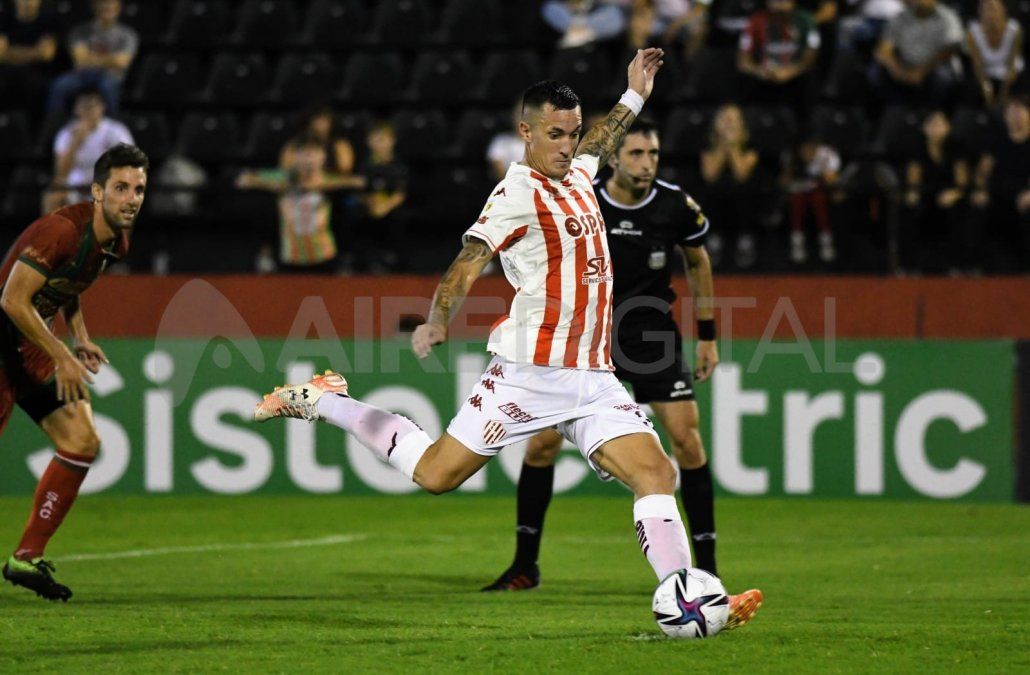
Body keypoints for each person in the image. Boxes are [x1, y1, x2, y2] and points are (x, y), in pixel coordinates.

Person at [254, 49, 762, 628]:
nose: (568, 145)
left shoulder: (578, 171)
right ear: (525, 132)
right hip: (527, 376)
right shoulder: (515, 195)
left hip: (593, 379)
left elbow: (601, 138)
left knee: (657, 474)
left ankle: (686, 593)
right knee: (436, 475)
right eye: (554, 134)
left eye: (571, 134)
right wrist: (438, 318)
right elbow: (468, 261)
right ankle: (327, 400)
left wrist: (635, 93)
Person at [480, 116, 725, 591]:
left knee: (688, 443)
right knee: (542, 445)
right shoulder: (583, 195)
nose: (646, 163)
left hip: (651, 335)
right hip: (587, 337)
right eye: (636, 153)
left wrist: (708, 335)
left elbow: (698, 259)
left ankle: (707, 568)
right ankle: (525, 565)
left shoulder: (674, 205)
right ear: (613, 158)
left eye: (653, 154)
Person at [0, 144, 148, 601]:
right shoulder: (61, 231)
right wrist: (62, 355)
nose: (131, 198)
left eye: (139, 189)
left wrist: (78, 335)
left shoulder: (115, 241)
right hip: (5, 333)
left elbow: (70, 283)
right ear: (98, 191)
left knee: (81, 441)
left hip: (31, 340)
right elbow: (11, 300)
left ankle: (25, 558)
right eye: (121, 188)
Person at [237, 135, 365, 274]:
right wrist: (277, 186)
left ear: (323, 157)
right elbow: (243, 179)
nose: (309, 160)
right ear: (296, 157)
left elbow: (359, 181)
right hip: (290, 257)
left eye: (314, 154)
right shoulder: (283, 177)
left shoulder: (331, 179)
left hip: (324, 256)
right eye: (304, 155)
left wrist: (320, 186)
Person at [901, 110, 971, 273]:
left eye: (939, 124)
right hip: (926, 192)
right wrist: (913, 194)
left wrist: (954, 193)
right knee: (909, 207)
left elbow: (962, 180)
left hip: (951, 193)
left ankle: (956, 264)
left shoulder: (956, 147)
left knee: (957, 209)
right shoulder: (917, 147)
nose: (935, 128)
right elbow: (913, 178)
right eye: (931, 125)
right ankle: (910, 265)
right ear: (924, 128)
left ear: (948, 127)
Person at [44, 89, 134, 214]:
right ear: (76, 109)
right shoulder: (66, 133)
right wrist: (76, 142)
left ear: (102, 107)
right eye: (84, 106)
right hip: (75, 187)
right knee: (53, 197)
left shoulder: (116, 131)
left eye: (93, 105)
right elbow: (60, 173)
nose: (89, 110)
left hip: (106, 185)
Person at [46, 0, 139, 117]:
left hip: (110, 76)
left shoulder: (128, 34)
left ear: (118, 8)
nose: (107, 6)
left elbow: (122, 63)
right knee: (60, 86)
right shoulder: (80, 31)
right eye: (104, 4)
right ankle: (55, 127)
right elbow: (79, 60)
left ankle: (112, 127)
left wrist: (91, 58)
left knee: (108, 87)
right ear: (95, 6)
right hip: (81, 75)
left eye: (111, 4)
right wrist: (110, 60)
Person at [971, 96, 1030, 271]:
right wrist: (980, 189)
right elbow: (982, 172)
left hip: (1025, 195)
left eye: (1020, 110)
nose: (1015, 115)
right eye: (1011, 111)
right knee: (978, 207)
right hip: (999, 194)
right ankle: (976, 266)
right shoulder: (996, 141)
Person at [700, 104, 762, 269]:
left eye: (732, 119)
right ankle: (714, 240)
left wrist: (733, 146)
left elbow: (741, 173)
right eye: (724, 119)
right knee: (712, 191)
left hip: (743, 194)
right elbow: (710, 175)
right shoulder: (708, 144)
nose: (728, 124)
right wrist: (722, 146)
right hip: (715, 195)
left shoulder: (750, 145)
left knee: (744, 192)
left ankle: (745, 240)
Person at [870, 0, 962, 107]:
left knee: (943, 76)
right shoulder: (901, 17)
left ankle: (932, 113)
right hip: (903, 66)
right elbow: (883, 50)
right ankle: (899, 111)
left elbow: (950, 49)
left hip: (932, 67)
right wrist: (896, 69)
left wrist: (921, 72)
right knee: (875, 72)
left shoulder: (948, 18)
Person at [737, 0, 820, 116]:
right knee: (745, 81)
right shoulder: (755, 20)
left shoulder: (805, 20)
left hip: (795, 76)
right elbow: (743, 62)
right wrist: (759, 71)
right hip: (764, 76)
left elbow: (812, 54)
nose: (780, 3)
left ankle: (805, 128)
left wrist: (792, 71)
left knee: (809, 78)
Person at [352, 120, 409, 272]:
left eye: (383, 139)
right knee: (356, 214)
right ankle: (364, 258)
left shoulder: (398, 166)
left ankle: (394, 258)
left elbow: (400, 193)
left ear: (392, 140)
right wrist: (371, 204)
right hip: (369, 206)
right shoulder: (363, 166)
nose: (379, 143)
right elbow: (360, 191)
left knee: (396, 218)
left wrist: (385, 206)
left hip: (390, 206)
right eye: (375, 139)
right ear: (368, 141)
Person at [785, 132, 841, 263]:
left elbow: (833, 180)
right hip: (799, 192)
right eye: (805, 149)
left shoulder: (827, 155)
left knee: (818, 199)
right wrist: (791, 171)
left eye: (812, 148)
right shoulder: (792, 157)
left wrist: (822, 168)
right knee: (797, 199)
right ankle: (797, 242)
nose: (808, 152)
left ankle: (826, 241)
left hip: (822, 192)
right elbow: (784, 182)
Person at [965, 0, 1024, 110]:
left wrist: (1004, 92)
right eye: (987, 10)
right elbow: (977, 65)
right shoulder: (972, 32)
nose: (991, 14)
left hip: (1009, 70)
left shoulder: (1015, 30)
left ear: (1003, 11)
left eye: (994, 9)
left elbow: (1013, 62)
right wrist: (986, 87)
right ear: (980, 13)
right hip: (986, 71)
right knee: (976, 91)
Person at [0, 0, 58, 111]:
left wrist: (11, 52)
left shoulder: (48, 21)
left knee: (36, 86)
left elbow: (46, 55)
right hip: (6, 71)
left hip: (38, 71)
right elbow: (0, 54)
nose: (27, 2)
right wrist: (35, 51)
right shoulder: (4, 19)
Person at [280, 105, 356, 176]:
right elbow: (285, 168)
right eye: (318, 120)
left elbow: (345, 169)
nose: (321, 125)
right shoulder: (295, 144)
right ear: (310, 123)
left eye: (325, 120)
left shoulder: (340, 144)